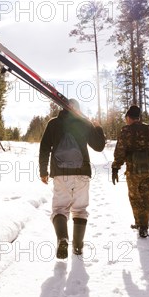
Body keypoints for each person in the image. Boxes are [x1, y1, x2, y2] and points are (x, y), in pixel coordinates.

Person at [39, 99, 106, 258]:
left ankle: (62, 238)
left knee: (59, 209)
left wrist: (43, 171)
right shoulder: (84, 123)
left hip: (61, 173)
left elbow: (44, 148)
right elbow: (99, 146)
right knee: (80, 210)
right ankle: (77, 247)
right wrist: (98, 128)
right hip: (82, 172)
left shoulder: (53, 123)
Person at [111, 105, 149, 238]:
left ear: (129, 118)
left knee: (135, 198)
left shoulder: (126, 131)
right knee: (147, 198)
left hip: (134, 172)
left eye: (126, 118)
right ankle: (143, 226)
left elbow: (120, 152)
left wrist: (115, 167)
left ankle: (140, 224)